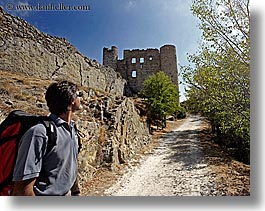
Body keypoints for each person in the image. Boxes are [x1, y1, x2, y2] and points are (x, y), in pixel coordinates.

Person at [12, 81, 82, 196]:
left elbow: (70, 166)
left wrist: (75, 192)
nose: (81, 98)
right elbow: (22, 190)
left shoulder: (72, 130)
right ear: (72, 101)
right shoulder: (39, 133)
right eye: (79, 95)